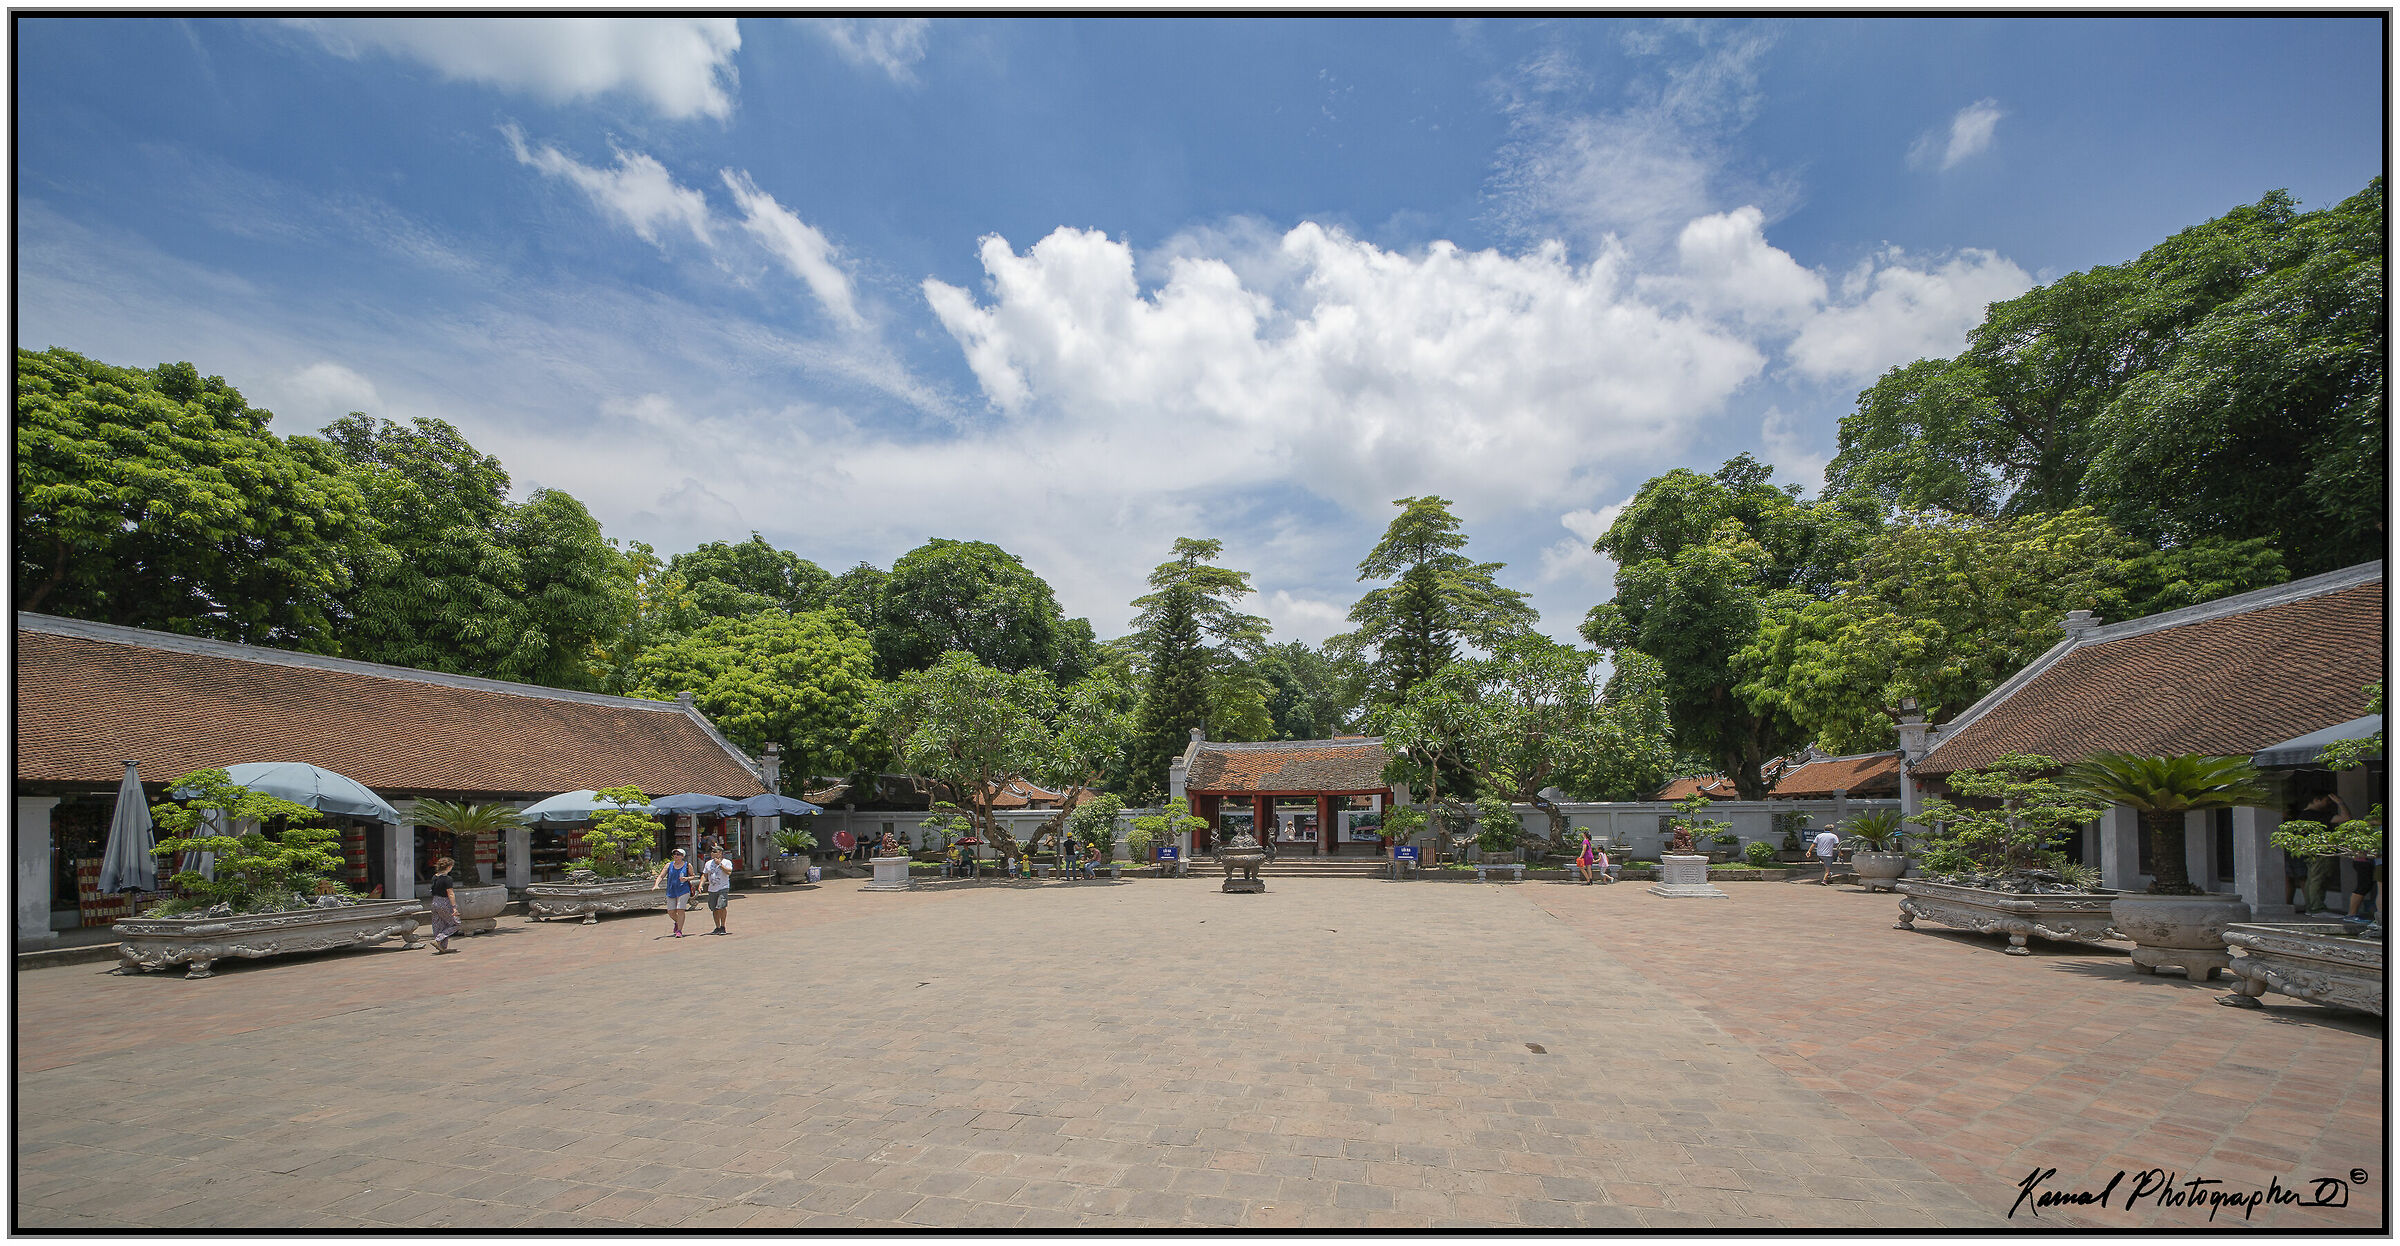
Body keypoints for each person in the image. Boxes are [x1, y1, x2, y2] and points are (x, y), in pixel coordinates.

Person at [2301, 794, 2351, 912]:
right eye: (2327, 800)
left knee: (2313, 878)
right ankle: (2316, 907)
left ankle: (2312, 907)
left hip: (2312, 851)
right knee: (2318, 879)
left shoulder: (2303, 814)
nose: (2329, 803)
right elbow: (2346, 818)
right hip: (2321, 851)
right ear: (2316, 799)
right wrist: (2340, 802)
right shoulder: (2315, 815)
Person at [655, 848, 692, 937]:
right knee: (671, 911)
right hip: (671, 890)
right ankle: (677, 922)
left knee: (680, 909)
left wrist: (686, 878)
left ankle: (679, 930)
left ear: (682, 856)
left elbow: (693, 875)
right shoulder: (669, 865)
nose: (676, 856)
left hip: (683, 890)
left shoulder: (687, 865)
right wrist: (656, 884)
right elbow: (661, 875)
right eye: (674, 854)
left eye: (678, 854)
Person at [427, 856, 460, 953]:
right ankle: (438, 939)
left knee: (439, 924)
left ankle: (442, 947)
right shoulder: (447, 879)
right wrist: (454, 907)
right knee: (456, 924)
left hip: (435, 902)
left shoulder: (435, 877)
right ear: (449, 867)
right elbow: (450, 893)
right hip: (444, 902)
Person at [700, 840, 734, 934]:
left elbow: (729, 872)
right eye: (712, 851)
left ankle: (723, 926)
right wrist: (701, 885)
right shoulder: (708, 863)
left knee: (721, 906)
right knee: (714, 908)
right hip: (712, 888)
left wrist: (720, 864)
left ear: (720, 853)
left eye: (715, 851)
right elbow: (705, 875)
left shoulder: (726, 862)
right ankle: (717, 927)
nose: (712, 853)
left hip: (723, 887)